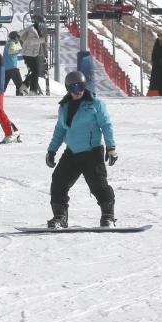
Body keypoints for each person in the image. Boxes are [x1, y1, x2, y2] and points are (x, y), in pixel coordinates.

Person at [45, 70, 117, 228]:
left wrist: (111, 147)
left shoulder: (96, 104)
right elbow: (60, 130)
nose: (77, 91)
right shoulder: (64, 107)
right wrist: (52, 150)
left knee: (98, 185)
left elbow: (106, 125)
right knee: (58, 182)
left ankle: (108, 216)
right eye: (73, 88)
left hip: (92, 152)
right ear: (68, 88)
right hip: (72, 152)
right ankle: (60, 217)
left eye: (81, 87)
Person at [18, 20, 47, 95]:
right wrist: (43, 40)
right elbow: (31, 41)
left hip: (31, 54)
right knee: (36, 71)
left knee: (35, 72)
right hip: (29, 54)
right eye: (42, 27)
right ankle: (32, 90)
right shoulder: (32, 30)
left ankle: (25, 86)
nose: (42, 29)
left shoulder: (35, 30)